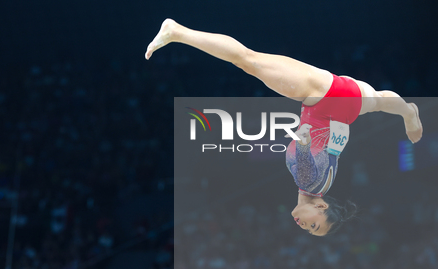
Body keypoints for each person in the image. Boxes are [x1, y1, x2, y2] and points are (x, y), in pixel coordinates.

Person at [145, 19, 423, 236]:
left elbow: (328, 145)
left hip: (346, 106)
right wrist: (303, 141)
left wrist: (310, 137)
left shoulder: (322, 183)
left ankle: (408, 112)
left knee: (382, 101)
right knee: (247, 60)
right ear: (321, 207)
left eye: (310, 230)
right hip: (322, 96)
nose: (305, 227)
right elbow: (306, 158)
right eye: (315, 225)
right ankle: (177, 31)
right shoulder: (309, 182)